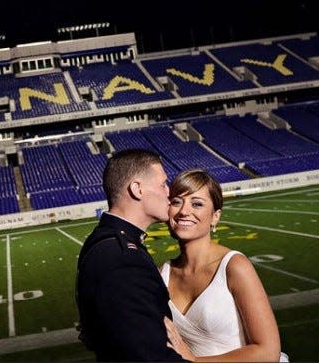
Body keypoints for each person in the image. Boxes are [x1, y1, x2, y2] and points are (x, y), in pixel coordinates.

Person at [161, 168, 287, 362]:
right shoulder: (163, 273)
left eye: (197, 204)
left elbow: (268, 352)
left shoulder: (234, 266)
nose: (184, 211)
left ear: (215, 217)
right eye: (177, 202)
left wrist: (196, 362)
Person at [76, 148, 185, 361]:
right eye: (163, 184)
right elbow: (150, 355)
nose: (169, 192)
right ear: (137, 189)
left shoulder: (106, 240)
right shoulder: (123, 258)